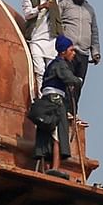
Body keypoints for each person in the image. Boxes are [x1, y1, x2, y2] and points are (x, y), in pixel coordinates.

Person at [56, 0, 100, 115]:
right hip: (69, 50)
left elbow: (94, 31)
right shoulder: (65, 4)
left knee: (79, 84)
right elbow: (55, 22)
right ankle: (64, 111)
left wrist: (96, 52)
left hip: (84, 53)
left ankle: (73, 113)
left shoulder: (90, 9)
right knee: (68, 82)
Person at [34, 35, 81, 178]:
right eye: (71, 50)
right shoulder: (61, 64)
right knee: (57, 136)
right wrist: (77, 80)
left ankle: (45, 167)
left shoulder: (52, 65)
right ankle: (54, 167)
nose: (73, 54)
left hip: (46, 101)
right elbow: (69, 78)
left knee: (46, 134)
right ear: (63, 51)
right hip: (55, 102)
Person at [21, 0, 60, 88]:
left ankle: (49, 95)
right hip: (36, 39)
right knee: (39, 70)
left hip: (51, 39)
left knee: (51, 71)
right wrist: (40, 7)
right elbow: (27, 14)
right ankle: (40, 95)